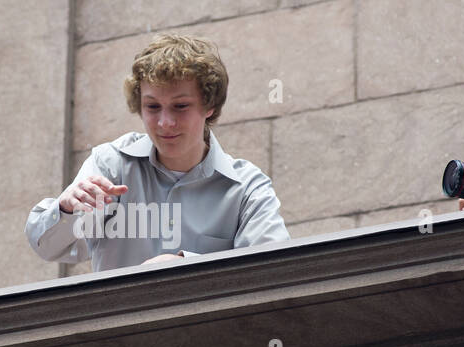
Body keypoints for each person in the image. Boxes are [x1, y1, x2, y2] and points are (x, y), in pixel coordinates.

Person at [26, 34, 289, 272]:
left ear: (209, 105)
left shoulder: (247, 189)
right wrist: (66, 209)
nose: (165, 122)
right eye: (152, 107)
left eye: (180, 106)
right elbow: (49, 248)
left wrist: (186, 264)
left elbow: (272, 272)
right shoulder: (111, 164)